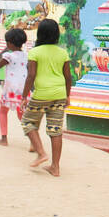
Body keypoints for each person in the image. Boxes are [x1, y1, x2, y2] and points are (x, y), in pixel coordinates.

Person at [20, 19, 72, 176]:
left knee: (28, 122)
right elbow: (68, 77)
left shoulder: (35, 52)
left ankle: (41, 153)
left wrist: (24, 96)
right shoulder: (63, 52)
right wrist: (67, 95)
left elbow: (31, 75)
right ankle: (55, 167)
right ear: (56, 34)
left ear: (39, 33)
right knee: (55, 130)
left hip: (42, 94)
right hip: (59, 94)